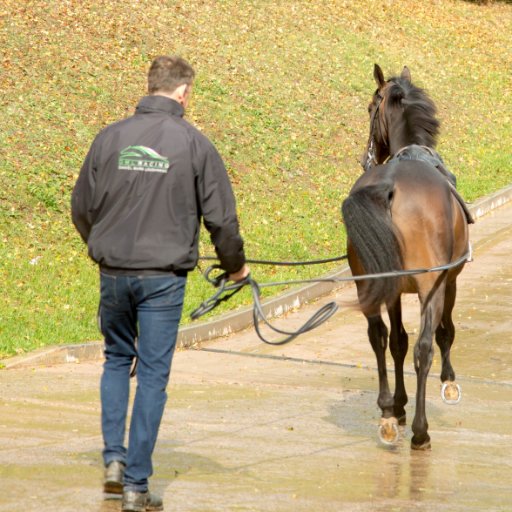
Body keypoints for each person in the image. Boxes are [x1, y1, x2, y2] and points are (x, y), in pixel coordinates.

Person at [71, 55, 249, 512]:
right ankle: (136, 486)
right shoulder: (194, 144)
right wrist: (236, 269)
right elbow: (222, 220)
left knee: (115, 360)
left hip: (113, 274)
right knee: (151, 376)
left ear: (150, 86)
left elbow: (81, 207)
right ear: (184, 92)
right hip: (162, 282)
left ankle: (113, 460)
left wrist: (104, 246)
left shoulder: (109, 138)